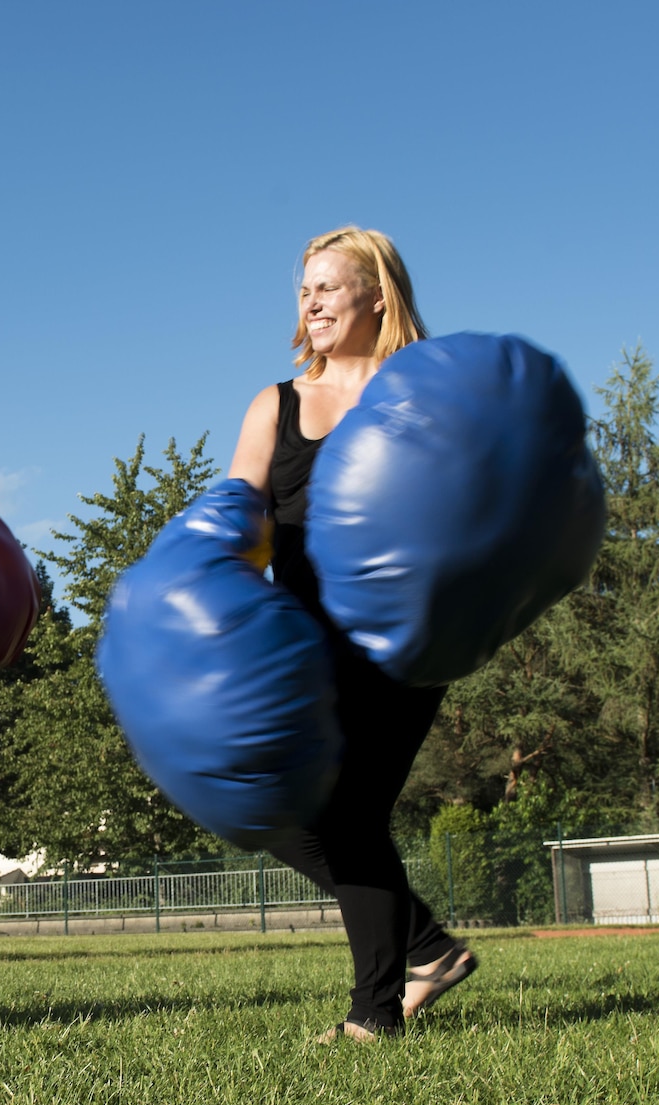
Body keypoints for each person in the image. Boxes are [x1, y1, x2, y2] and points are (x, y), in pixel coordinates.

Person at [227, 226, 478, 1042]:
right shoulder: (278, 402)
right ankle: (428, 947)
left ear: (377, 294)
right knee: (272, 804)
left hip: (402, 638)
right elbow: (240, 513)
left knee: (349, 811)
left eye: (329, 287)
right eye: (305, 290)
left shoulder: (423, 392)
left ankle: (375, 1013)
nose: (312, 302)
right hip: (304, 645)